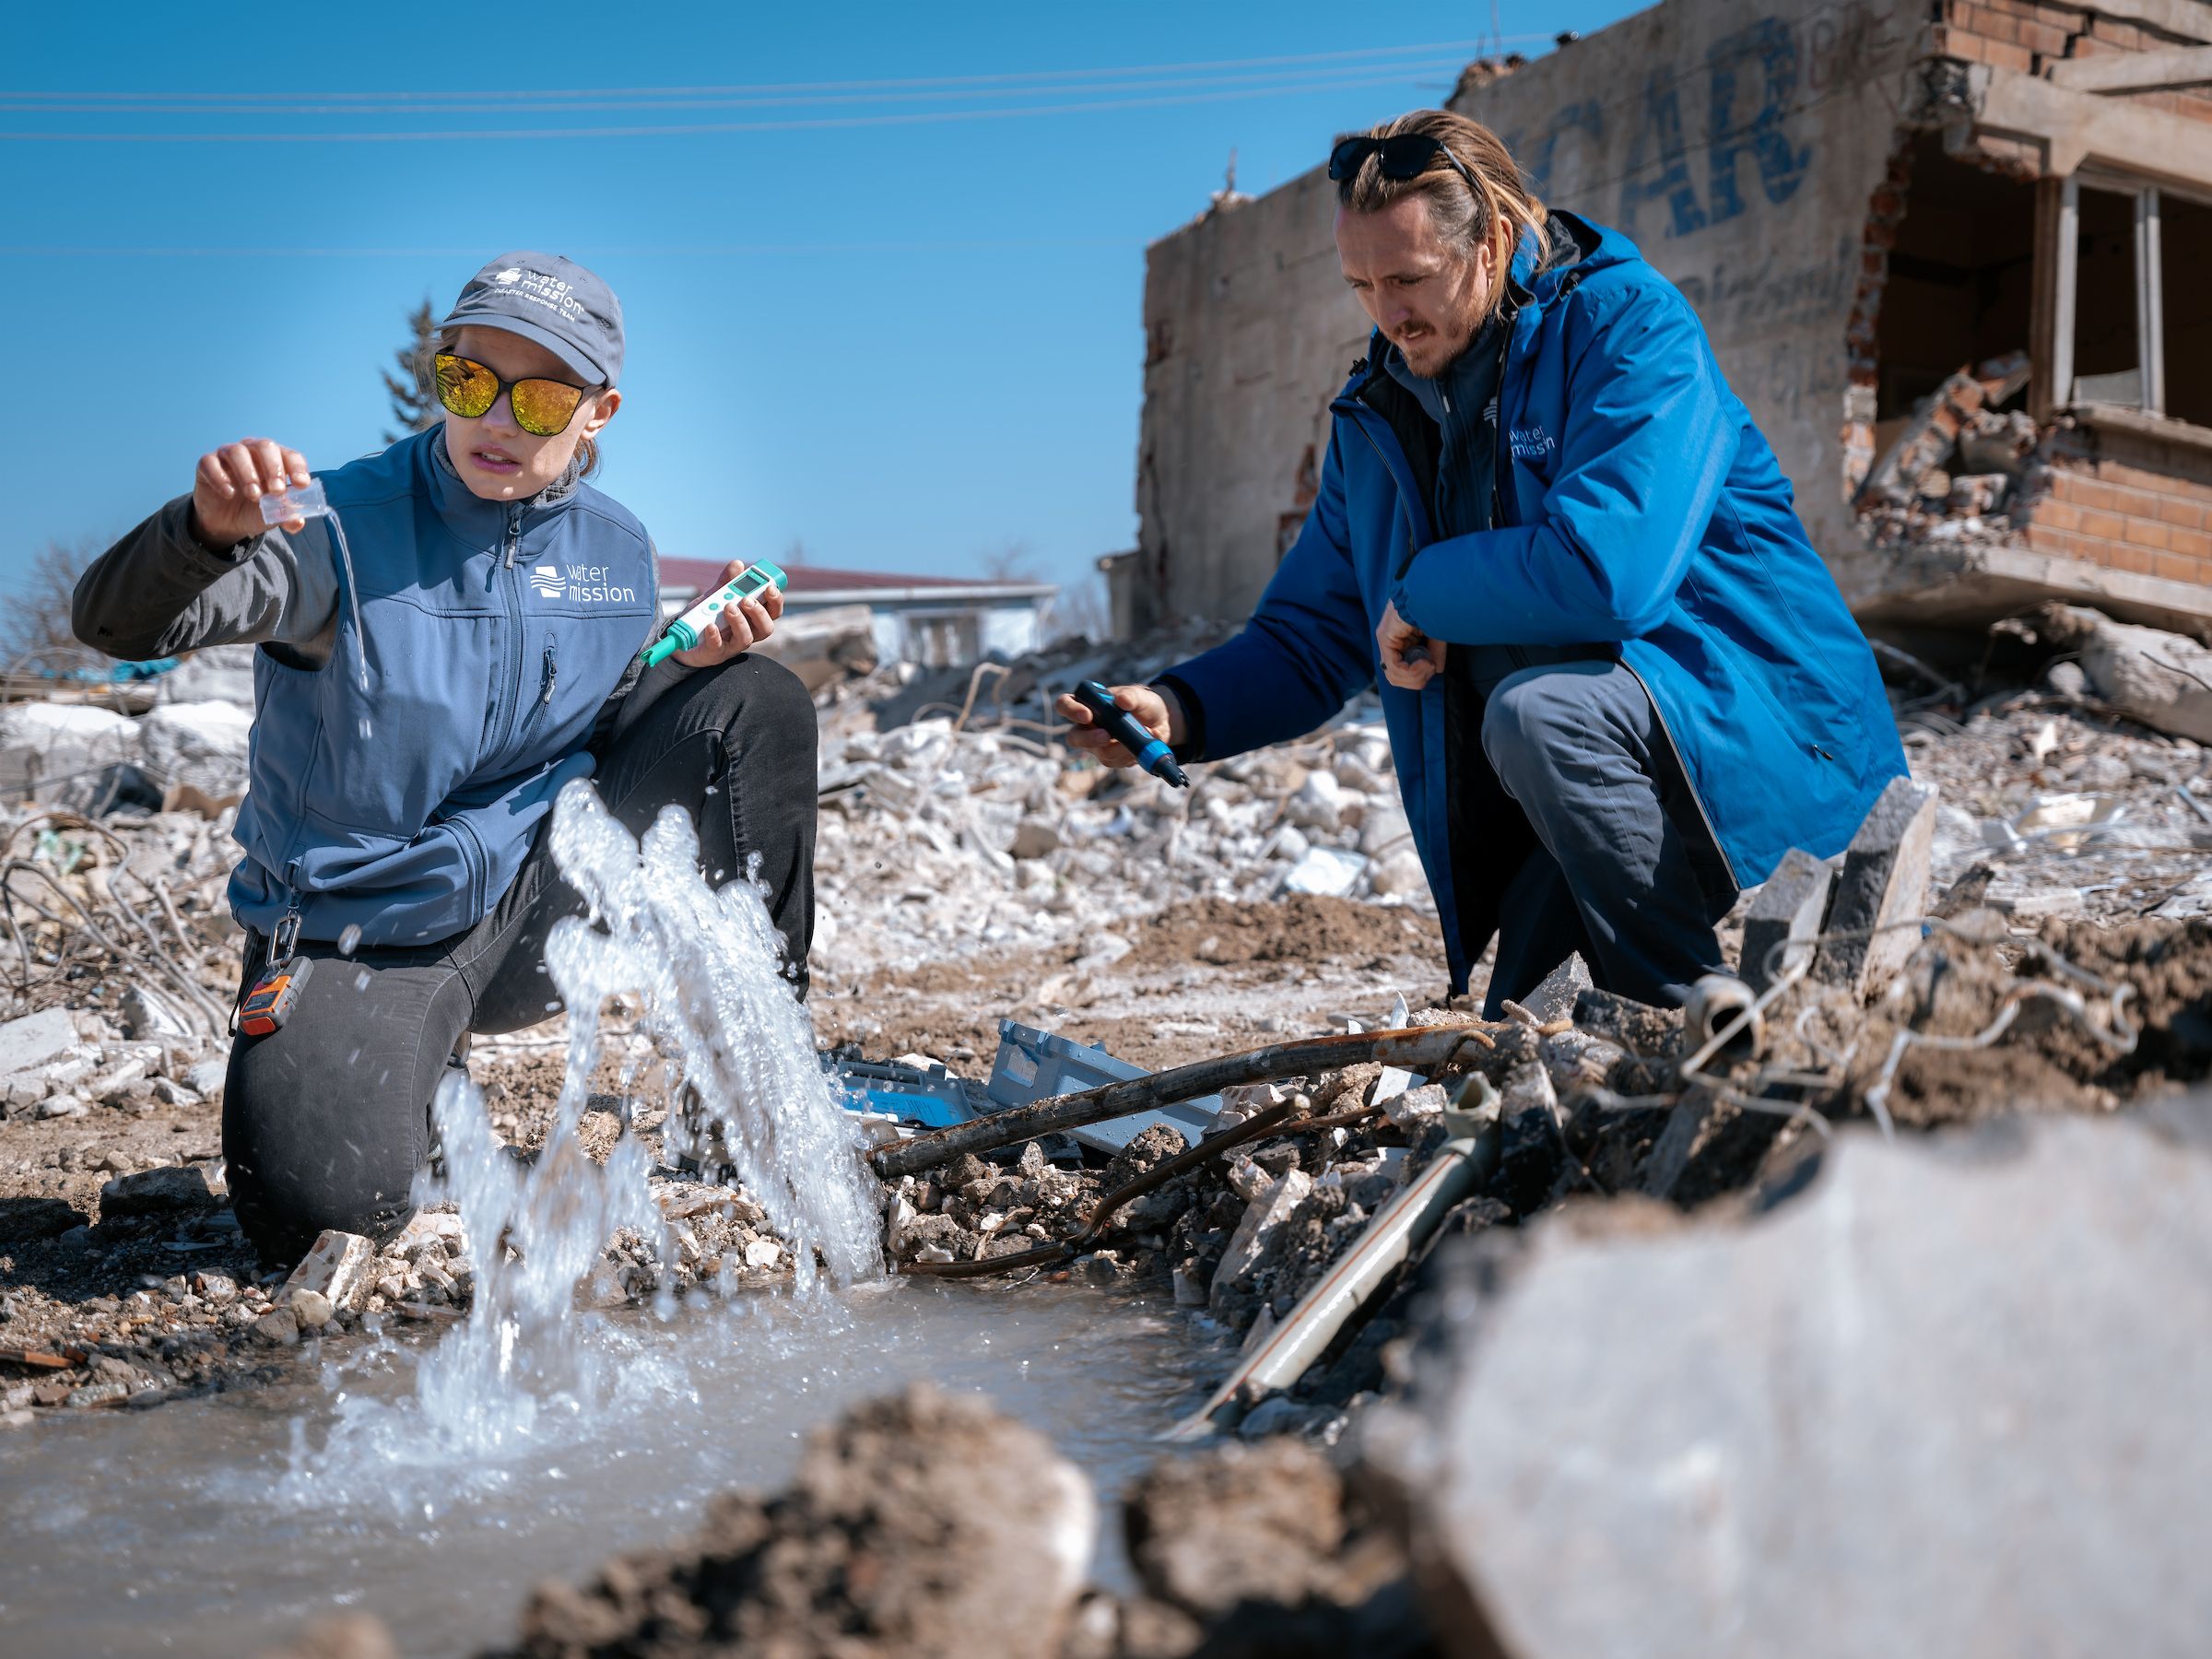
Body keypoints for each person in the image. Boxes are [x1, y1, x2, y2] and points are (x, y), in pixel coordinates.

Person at [1065, 110, 1907, 1016]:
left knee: (1536, 717)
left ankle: (1683, 1017)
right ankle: (1657, 1026)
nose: (1388, 315)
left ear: (1494, 243)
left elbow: (1609, 573)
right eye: (1362, 286)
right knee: (1522, 1024)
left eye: (1408, 279)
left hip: (1759, 728)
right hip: (1587, 785)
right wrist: (1180, 707)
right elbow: (1315, 631)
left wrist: (1423, 593)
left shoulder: (1630, 328)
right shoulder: (1380, 415)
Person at [73, 253, 818, 1266]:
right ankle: (414, 1071)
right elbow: (116, 627)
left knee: (754, 701)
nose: (497, 420)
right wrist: (203, 535)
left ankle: (752, 1099)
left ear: (597, 414)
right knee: (318, 1219)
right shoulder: (331, 528)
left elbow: (601, 731)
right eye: (469, 382)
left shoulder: (616, 551)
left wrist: (687, 664)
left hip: (533, 906)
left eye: (540, 398)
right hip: (365, 932)